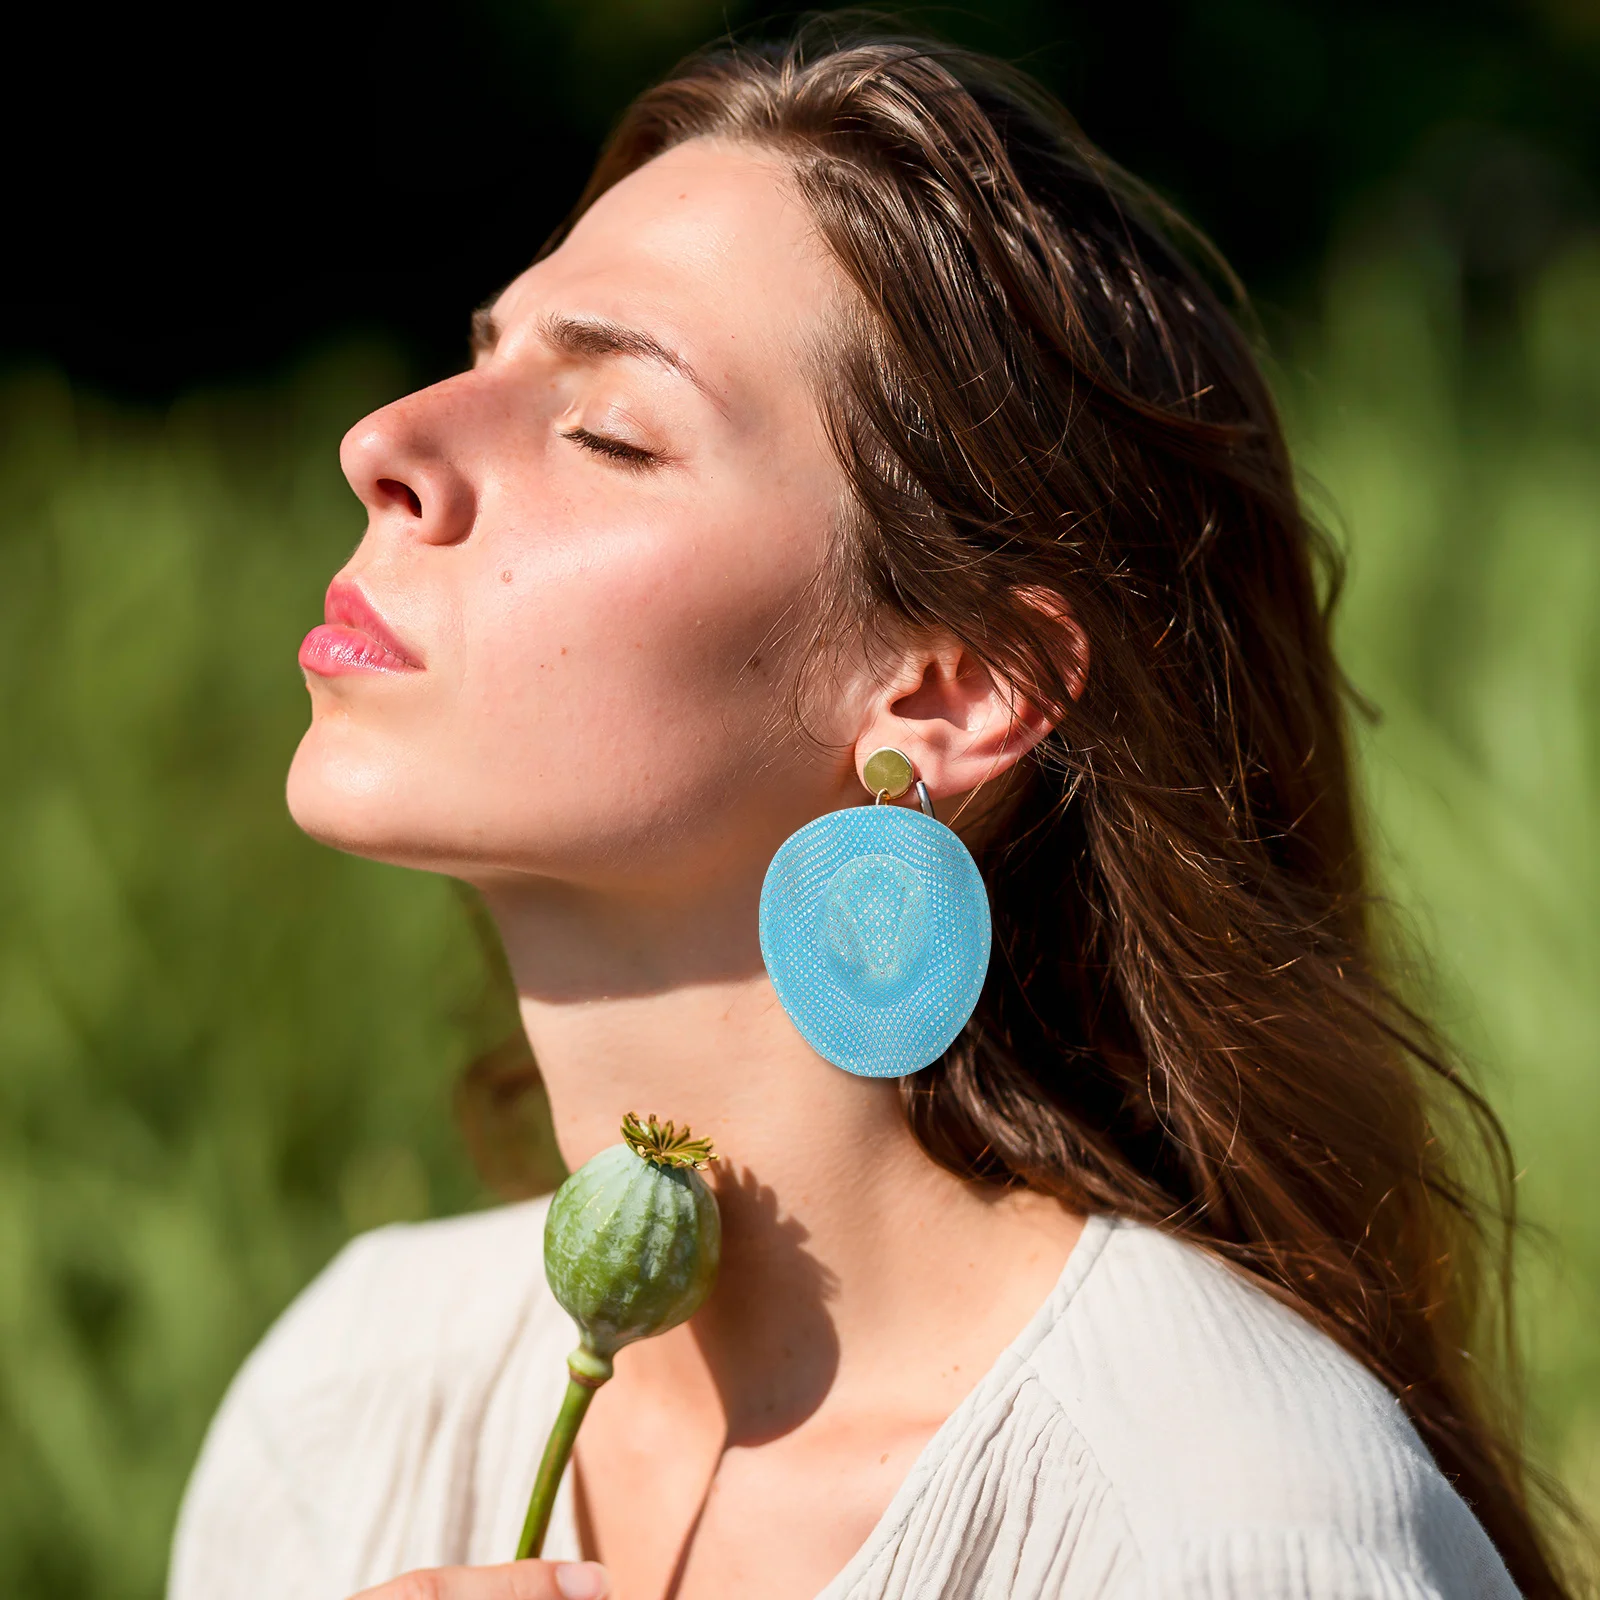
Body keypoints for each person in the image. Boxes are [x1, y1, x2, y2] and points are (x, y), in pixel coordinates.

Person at [166, 23, 1576, 1600]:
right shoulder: (352, 1404)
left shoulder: (1230, 1528)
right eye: (483, 349)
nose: (385, 445)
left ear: (952, 691)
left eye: (610, 429)